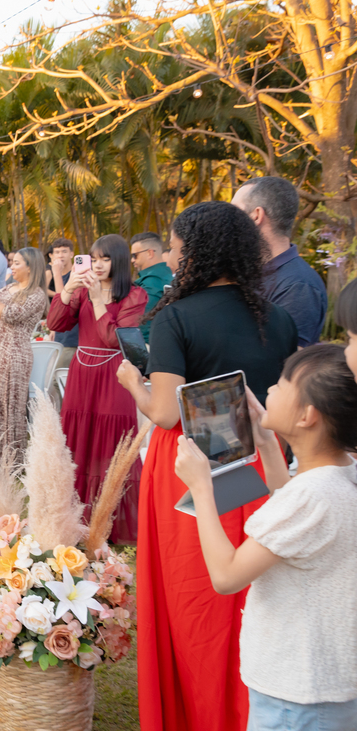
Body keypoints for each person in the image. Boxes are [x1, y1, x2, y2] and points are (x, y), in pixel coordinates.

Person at [115, 201, 297, 731]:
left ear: (195, 252)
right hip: (264, 464)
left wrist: (133, 383)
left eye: (174, 248)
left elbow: (166, 410)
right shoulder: (278, 317)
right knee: (258, 599)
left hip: (193, 470)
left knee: (194, 601)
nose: (170, 257)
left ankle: (197, 715)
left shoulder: (176, 316)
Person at [172, 344, 357, 731]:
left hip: (297, 697)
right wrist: (269, 444)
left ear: (308, 416)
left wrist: (202, 488)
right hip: (325, 686)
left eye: (282, 383)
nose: (268, 389)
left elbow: (227, 575)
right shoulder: (342, 472)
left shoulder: (312, 497)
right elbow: (291, 503)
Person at [47, 233, 148, 543]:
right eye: (95, 258)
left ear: (118, 261)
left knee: (112, 442)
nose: (100, 264)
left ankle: (110, 522)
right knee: (77, 440)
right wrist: (66, 291)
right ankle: (73, 518)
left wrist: (97, 299)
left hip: (114, 375)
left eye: (106, 258)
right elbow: (56, 323)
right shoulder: (81, 290)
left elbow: (113, 339)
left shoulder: (135, 295)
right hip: (82, 373)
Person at [231, 175, 327, 347]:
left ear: (256, 215)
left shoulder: (297, 285)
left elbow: (288, 361)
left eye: (234, 212)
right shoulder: (252, 273)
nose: (228, 222)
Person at [0, 247, 48, 465]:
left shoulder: (36, 295)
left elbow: (10, 315)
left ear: (31, 268)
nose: (12, 266)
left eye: (17, 263)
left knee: (8, 405)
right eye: (12, 262)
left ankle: (10, 459)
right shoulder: (9, 287)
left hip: (13, 354)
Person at [130, 231, 173, 343]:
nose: (132, 260)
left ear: (149, 253)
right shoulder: (168, 276)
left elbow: (141, 321)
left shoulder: (152, 281)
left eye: (135, 255)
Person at [44, 238, 79, 372]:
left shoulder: (76, 275)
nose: (60, 255)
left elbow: (63, 302)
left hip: (73, 337)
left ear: (71, 254)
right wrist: (54, 328)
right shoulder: (56, 275)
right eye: (57, 252)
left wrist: (56, 273)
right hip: (60, 335)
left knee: (57, 378)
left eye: (64, 252)